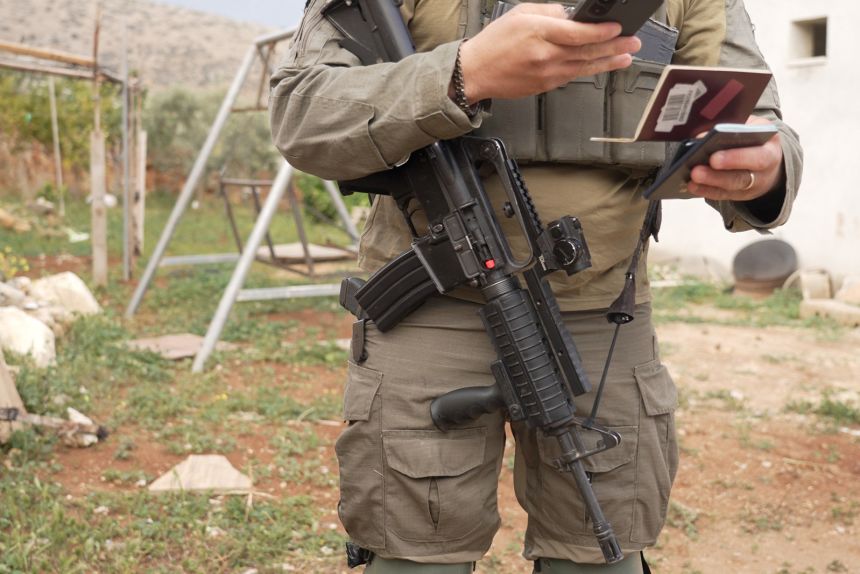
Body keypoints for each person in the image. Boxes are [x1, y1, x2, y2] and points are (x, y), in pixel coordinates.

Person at [270, 1, 802, 572]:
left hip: (601, 312)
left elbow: (755, 124)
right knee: (414, 555)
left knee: (597, 555)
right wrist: (462, 73)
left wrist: (763, 169)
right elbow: (303, 115)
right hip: (428, 307)